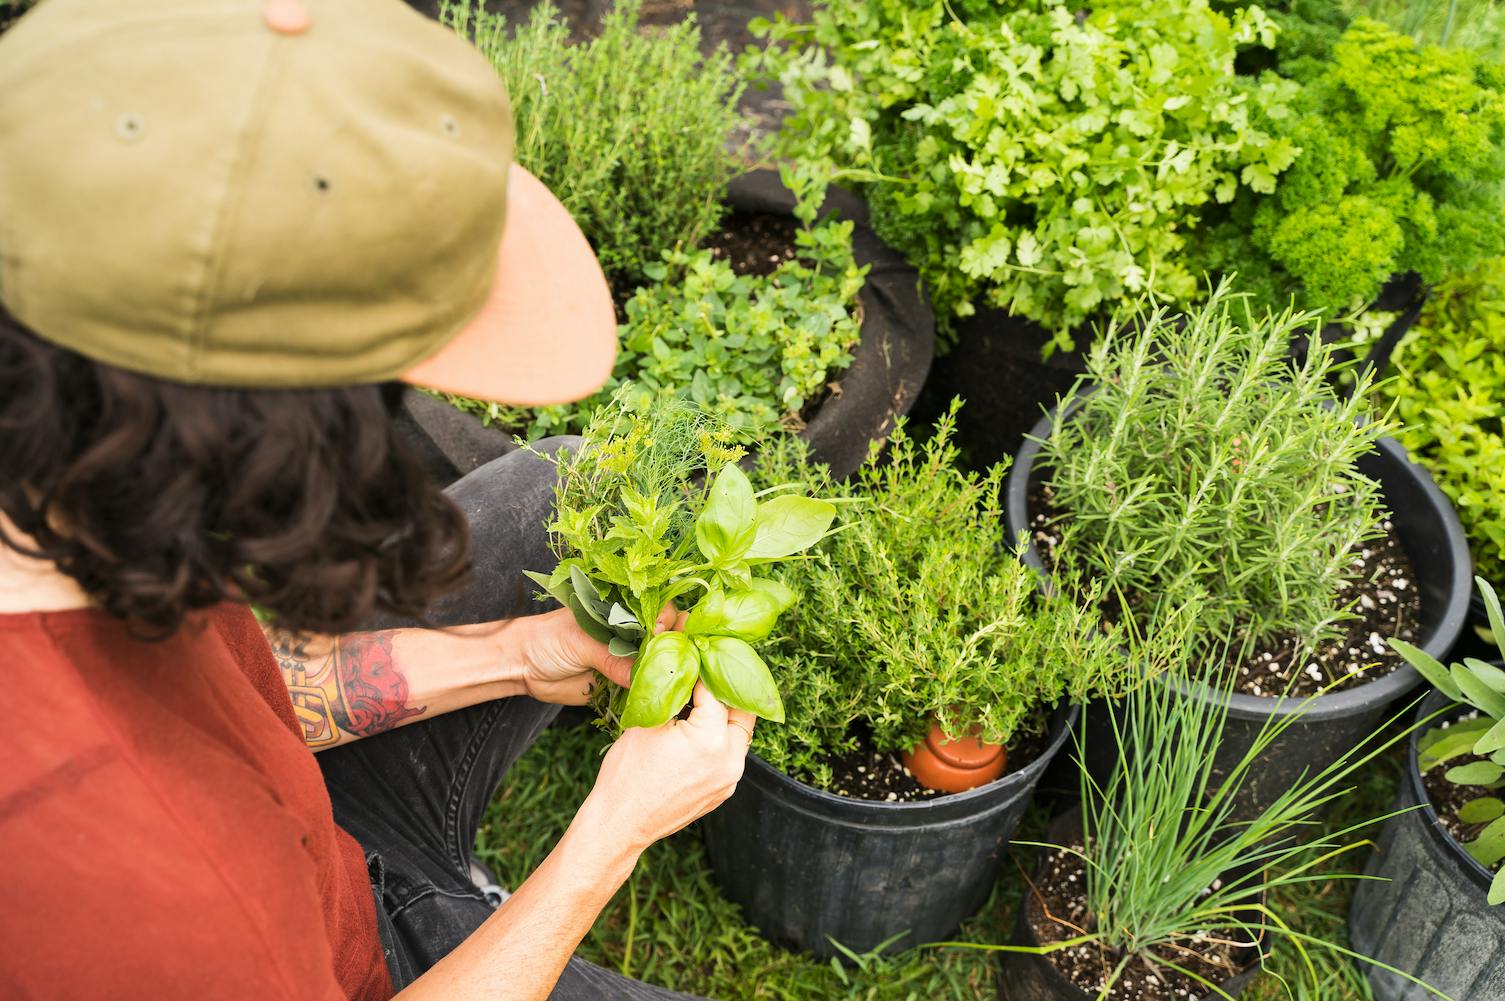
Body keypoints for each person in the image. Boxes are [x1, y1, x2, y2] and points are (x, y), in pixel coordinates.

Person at [0, 1, 754, 998]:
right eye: (387, 394)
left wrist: (515, 657)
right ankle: (470, 912)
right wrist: (610, 832)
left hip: (320, 856)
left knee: (562, 484)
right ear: (268, 428)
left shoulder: (74, 494)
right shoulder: (151, 891)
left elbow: (234, 687)